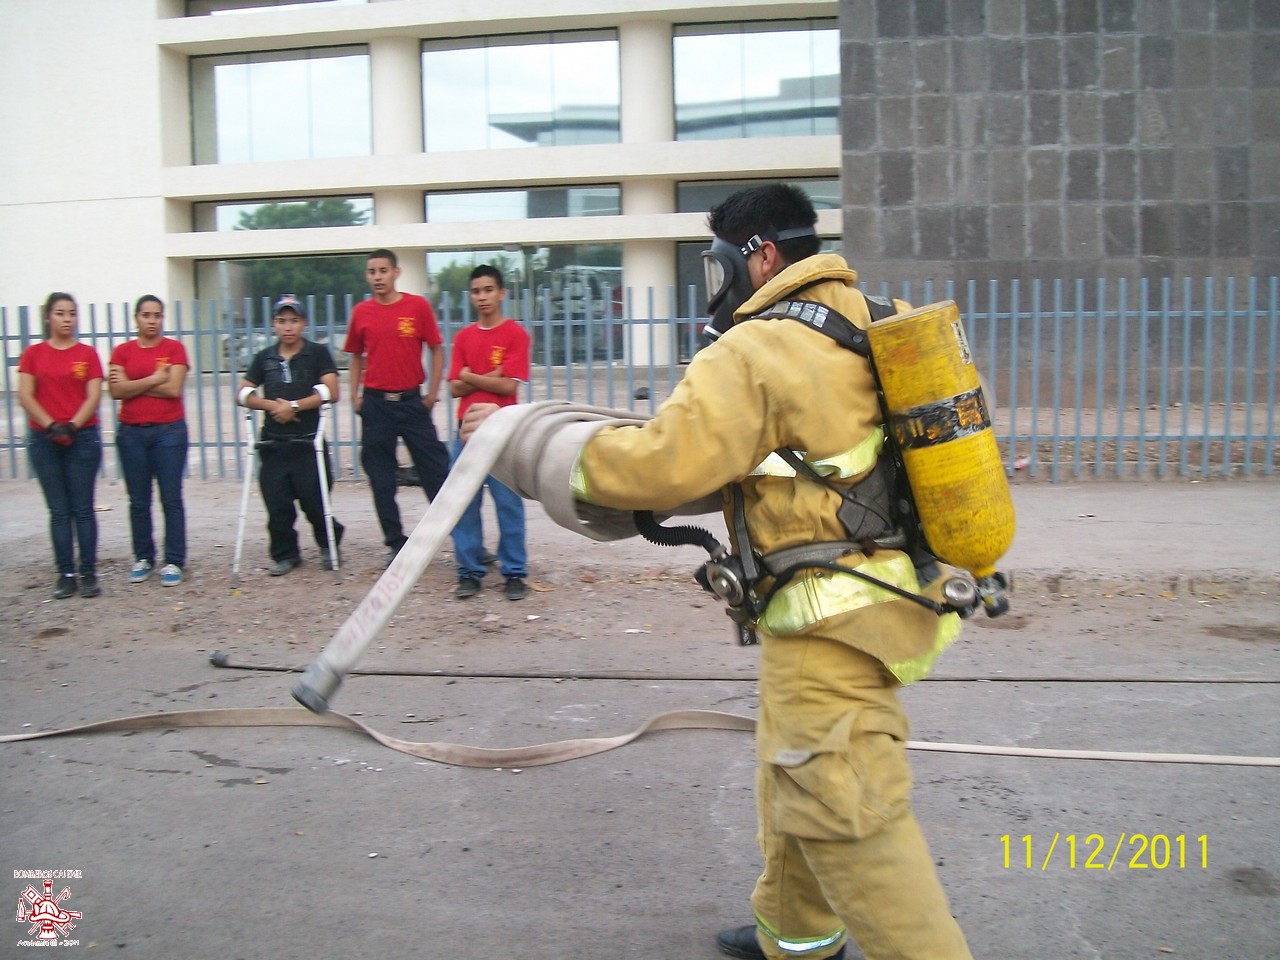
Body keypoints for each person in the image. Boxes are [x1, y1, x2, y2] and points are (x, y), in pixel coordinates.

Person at [464, 184, 973, 960]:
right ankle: (797, 933)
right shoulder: (868, 317)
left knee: (845, 809)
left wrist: (530, 450)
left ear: (760, 253)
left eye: (719, 264)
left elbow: (663, 465)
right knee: (794, 766)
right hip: (889, 594)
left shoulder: (759, 348)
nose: (719, 283)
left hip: (827, 619)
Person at [343, 249, 451, 563]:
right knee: (381, 478)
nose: (378, 277)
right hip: (376, 405)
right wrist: (355, 396)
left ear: (396, 273)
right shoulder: (361, 312)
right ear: (367, 276)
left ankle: (462, 538)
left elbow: (436, 348)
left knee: (436, 472)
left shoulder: (416, 306)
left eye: (383, 271)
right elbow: (354, 356)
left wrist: (431, 395)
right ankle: (395, 543)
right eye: (372, 272)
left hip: (412, 402)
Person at [238, 295, 344, 576]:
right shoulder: (265, 358)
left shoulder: (317, 353)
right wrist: (270, 405)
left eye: (294, 321)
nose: (288, 327)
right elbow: (243, 393)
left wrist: (294, 406)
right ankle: (285, 554)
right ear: (274, 324)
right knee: (277, 503)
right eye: (282, 321)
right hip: (273, 443)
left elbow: (331, 391)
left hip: (308, 441)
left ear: (303, 323)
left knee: (315, 500)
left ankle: (329, 543)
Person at [447, 265, 531, 601]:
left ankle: (514, 572)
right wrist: (489, 374)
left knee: (508, 504)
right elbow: (454, 387)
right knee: (462, 503)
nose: (482, 297)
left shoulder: (515, 335)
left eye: (488, 290)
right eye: (476, 291)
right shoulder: (463, 337)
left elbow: (509, 384)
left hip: (503, 431)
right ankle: (468, 571)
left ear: (501, 293)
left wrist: (472, 375)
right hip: (465, 431)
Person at [18, 292, 105, 600]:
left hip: (82, 437)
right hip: (44, 439)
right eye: (60, 313)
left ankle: (89, 573)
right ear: (48, 317)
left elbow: (93, 395)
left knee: (83, 508)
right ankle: (65, 573)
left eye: (71, 313)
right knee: (58, 510)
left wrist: (72, 425)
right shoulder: (33, 354)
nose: (67, 319)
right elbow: (26, 394)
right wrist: (51, 425)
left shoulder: (87, 354)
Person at [108, 295, 189, 587]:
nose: (151, 321)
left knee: (171, 497)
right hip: (131, 433)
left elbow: (173, 389)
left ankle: (174, 560)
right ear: (136, 318)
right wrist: (155, 379)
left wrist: (134, 385)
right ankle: (143, 557)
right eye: (146, 315)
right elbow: (115, 391)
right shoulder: (122, 351)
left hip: (169, 432)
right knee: (138, 500)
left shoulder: (174, 349)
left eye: (157, 315)